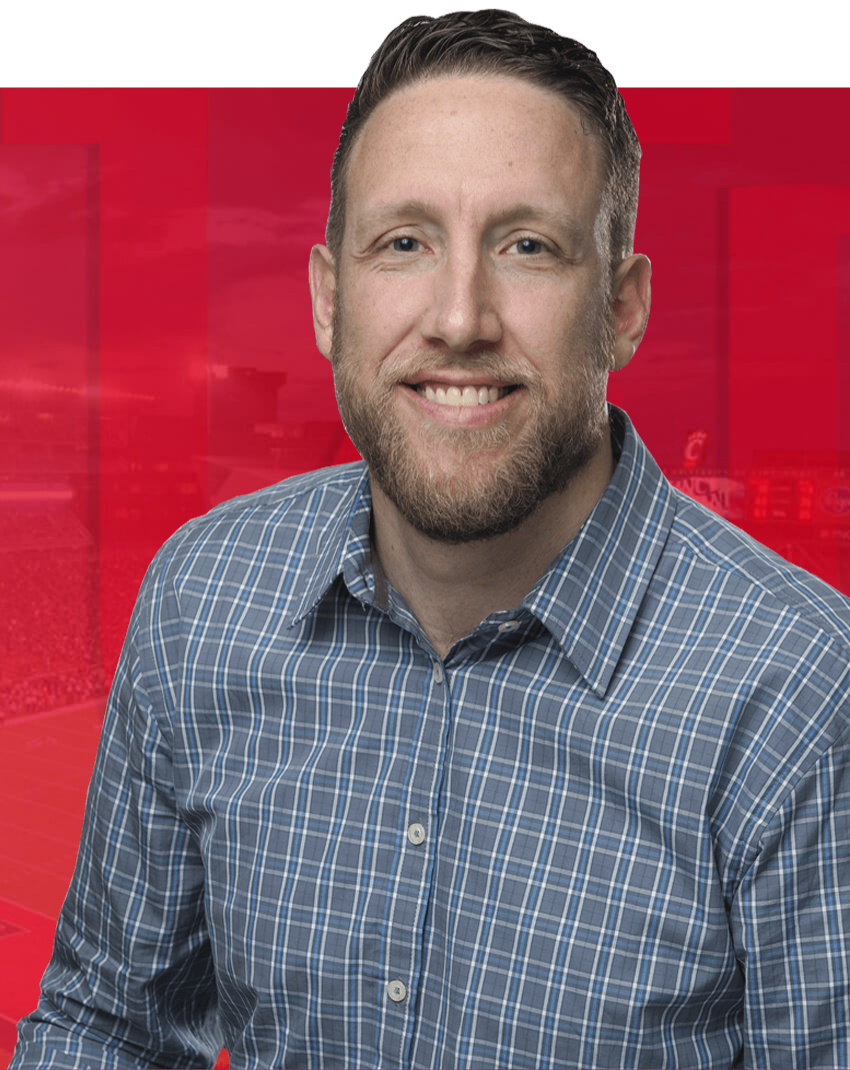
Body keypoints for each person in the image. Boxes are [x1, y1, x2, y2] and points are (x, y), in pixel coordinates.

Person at [12, 15, 850, 1070]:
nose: (458, 316)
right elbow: (106, 1027)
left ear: (622, 310)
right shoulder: (202, 596)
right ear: (330, 299)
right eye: (403, 241)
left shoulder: (802, 689)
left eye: (527, 245)